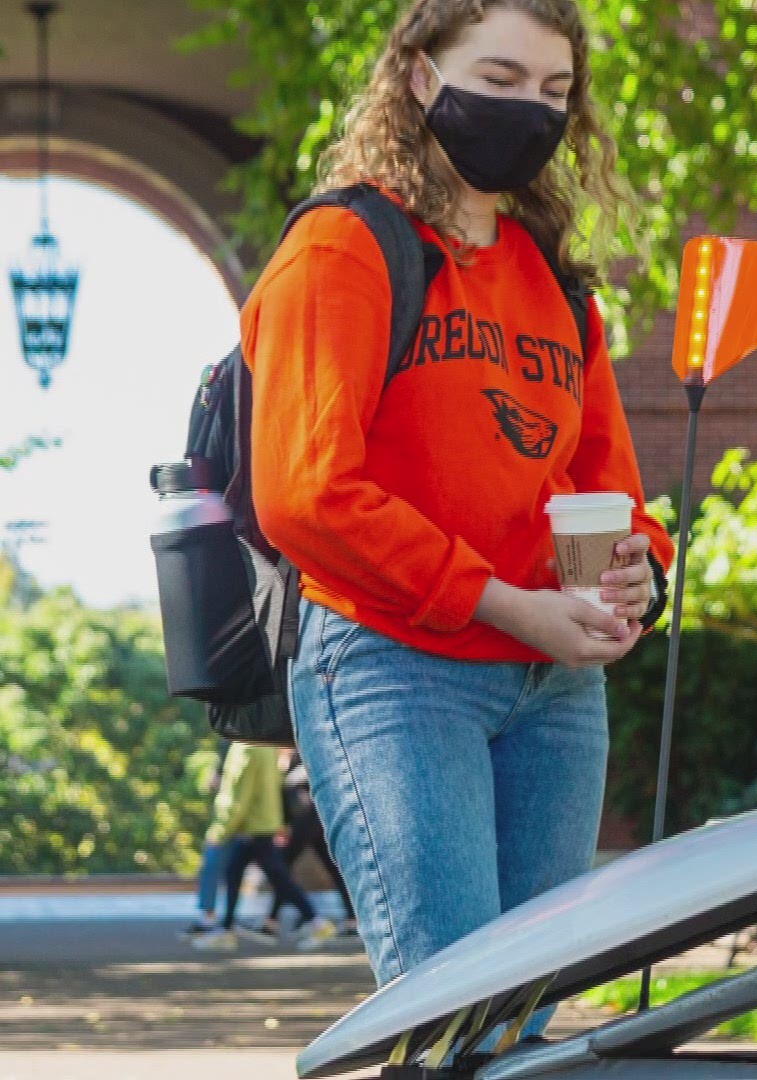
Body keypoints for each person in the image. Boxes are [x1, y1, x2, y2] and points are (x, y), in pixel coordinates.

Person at [242, 0, 674, 1039]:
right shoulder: (346, 248)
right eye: (502, 76)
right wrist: (503, 605)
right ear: (423, 79)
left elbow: (612, 489)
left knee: (524, 1026)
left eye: (555, 91)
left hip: (557, 692)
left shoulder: (557, 286)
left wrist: (639, 575)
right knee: (457, 1018)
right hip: (398, 670)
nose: (531, 108)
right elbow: (304, 490)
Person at [193, 742, 337, 952]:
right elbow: (275, 786)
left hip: (252, 826)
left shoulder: (245, 748)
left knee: (277, 877)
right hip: (263, 823)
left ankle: (316, 921)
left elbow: (238, 794)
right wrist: (278, 822)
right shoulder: (266, 745)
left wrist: (221, 830)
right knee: (238, 872)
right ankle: (226, 929)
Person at [269, 751, 357, 936]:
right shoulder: (283, 757)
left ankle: (273, 920)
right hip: (311, 819)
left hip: (307, 819)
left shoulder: (300, 753)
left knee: (283, 866)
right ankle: (352, 918)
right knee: (333, 867)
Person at [178, 740, 231, 940]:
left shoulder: (242, 744)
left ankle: (214, 920)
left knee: (213, 865)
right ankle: (217, 921)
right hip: (243, 820)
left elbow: (239, 792)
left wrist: (222, 828)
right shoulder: (230, 743)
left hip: (244, 822)